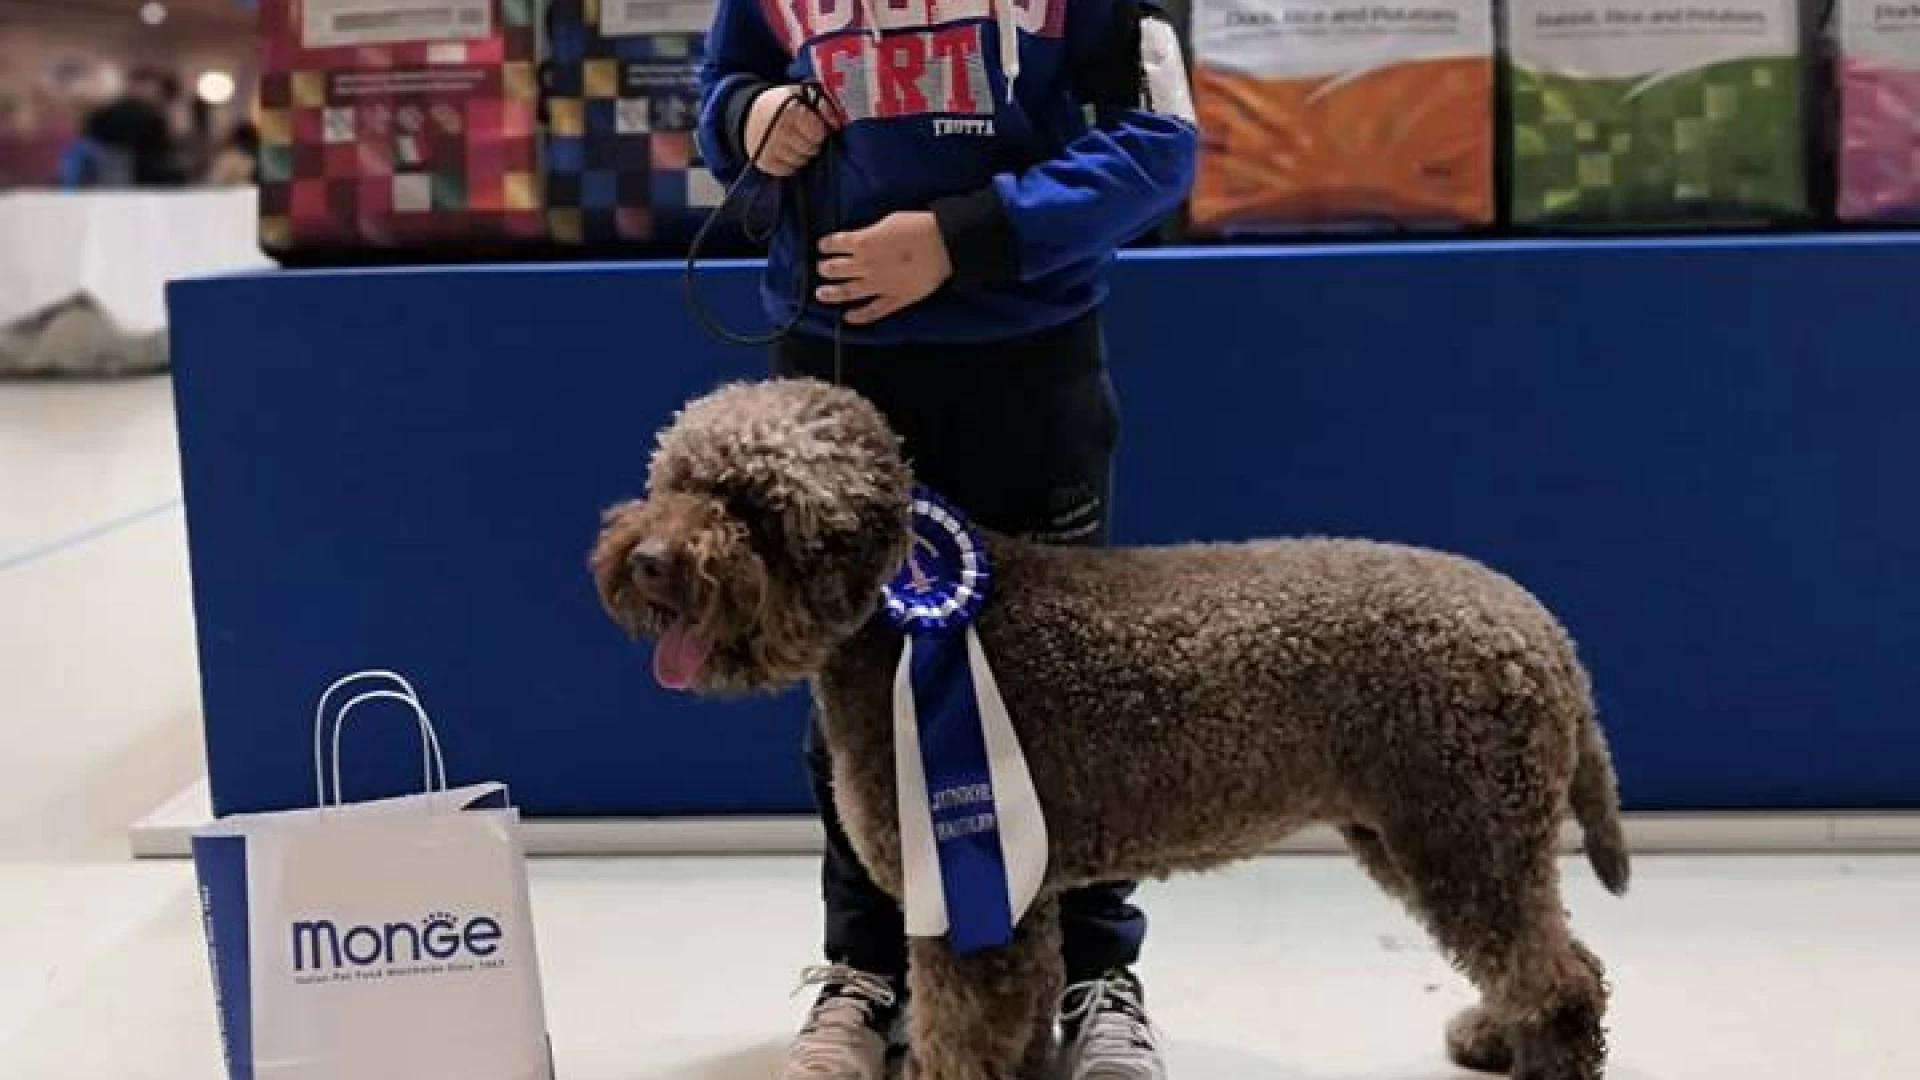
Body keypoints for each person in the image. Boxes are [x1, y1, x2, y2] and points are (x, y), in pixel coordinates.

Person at [695, 0, 1198, 1077]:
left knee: (1072, 691)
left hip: (1028, 366)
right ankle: (867, 969)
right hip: (832, 364)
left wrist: (965, 240)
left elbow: (1159, 145)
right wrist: (749, 119)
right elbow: (721, 87)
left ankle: (1093, 974)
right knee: (851, 698)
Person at [79, 67, 186, 187]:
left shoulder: (151, 112)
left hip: (129, 166)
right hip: (123, 164)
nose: (151, 91)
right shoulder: (142, 112)